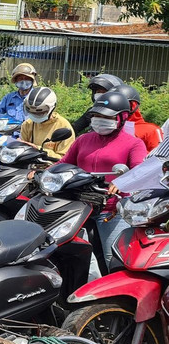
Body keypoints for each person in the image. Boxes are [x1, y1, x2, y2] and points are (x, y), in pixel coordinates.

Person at [58, 91, 146, 278]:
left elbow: (140, 172)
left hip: (110, 210)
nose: (99, 120)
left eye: (106, 116)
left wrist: (122, 182)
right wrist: (42, 173)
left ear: (122, 117)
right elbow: (63, 163)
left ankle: (117, 300)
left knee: (112, 259)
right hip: (78, 207)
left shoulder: (133, 144)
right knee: (62, 250)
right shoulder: (83, 140)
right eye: (96, 115)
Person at [19, 86, 75, 158]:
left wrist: (38, 149)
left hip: (52, 167)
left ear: (52, 109)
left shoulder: (64, 126)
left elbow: (64, 158)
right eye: (31, 112)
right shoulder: (27, 124)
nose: (35, 116)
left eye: (40, 113)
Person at [111, 84, 163, 151]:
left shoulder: (151, 130)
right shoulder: (106, 128)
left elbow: (158, 157)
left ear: (133, 105)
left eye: (122, 103)